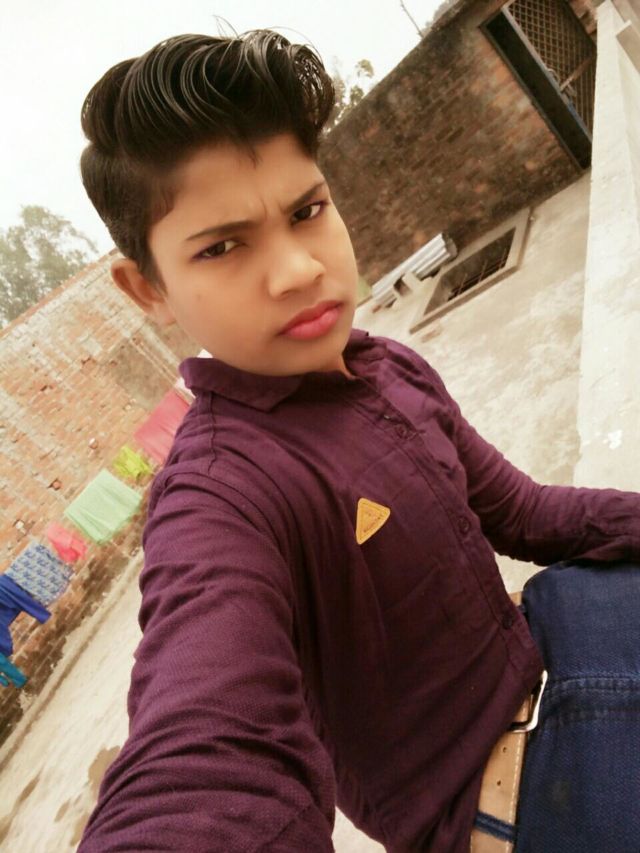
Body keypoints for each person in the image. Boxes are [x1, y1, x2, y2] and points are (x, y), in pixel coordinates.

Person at [76, 31, 640, 852]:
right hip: (509, 800)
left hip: (561, 645)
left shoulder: (391, 368)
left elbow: (525, 512)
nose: (299, 270)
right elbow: (205, 746)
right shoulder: (220, 493)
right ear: (147, 287)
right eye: (222, 247)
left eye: (306, 211)